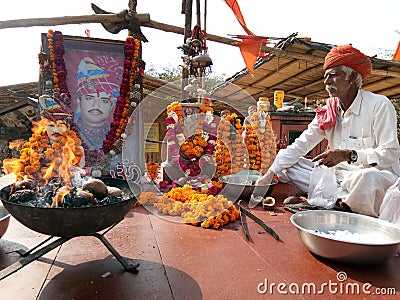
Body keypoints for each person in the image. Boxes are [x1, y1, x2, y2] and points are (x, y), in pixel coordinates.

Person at [256, 44, 400, 217]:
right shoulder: (329, 110)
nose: (326, 82)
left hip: (367, 180)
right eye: (325, 77)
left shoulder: (379, 105)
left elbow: (391, 153)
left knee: (370, 178)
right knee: (288, 165)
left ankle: (333, 201)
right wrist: (270, 173)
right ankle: (338, 201)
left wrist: (349, 155)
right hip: (337, 179)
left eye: (333, 75)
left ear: (352, 76)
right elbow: (301, 144)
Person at [74, 57, 120, 151]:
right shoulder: (68, 133)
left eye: (104, 100)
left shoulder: (119, 137)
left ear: (112, 106)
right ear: (79, 100)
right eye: (89, 98)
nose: (96, 106)